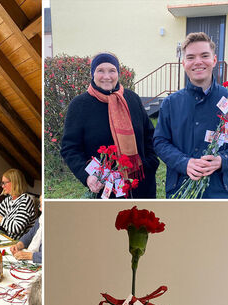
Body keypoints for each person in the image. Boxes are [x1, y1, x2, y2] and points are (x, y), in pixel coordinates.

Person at [154, 32, 228, 198]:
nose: (198, 62)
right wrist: (184, 163)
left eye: (204, 55)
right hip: (180, 189)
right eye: (191, 57)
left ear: (214, 60)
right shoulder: (170, 103)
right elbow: (160, 142)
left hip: (220, 191)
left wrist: (223, 160)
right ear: (184, 63)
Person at [61, 52, 159, 198]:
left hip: (141, 184)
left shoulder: (132, 99)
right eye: (100, 70)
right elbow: (70, 148)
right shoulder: (80, 105)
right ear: (92, 73)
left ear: (118, 73)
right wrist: (87, 176)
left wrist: (149, 164)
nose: (106, 76)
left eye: (112, 71)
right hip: (104, 189)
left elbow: (149, 135)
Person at [10, 196, 42, 263]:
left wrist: (30, 256)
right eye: (40, 205)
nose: (40, 209)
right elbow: (30, 235)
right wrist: (19, 245)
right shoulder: (42, 219)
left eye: (42, 206)